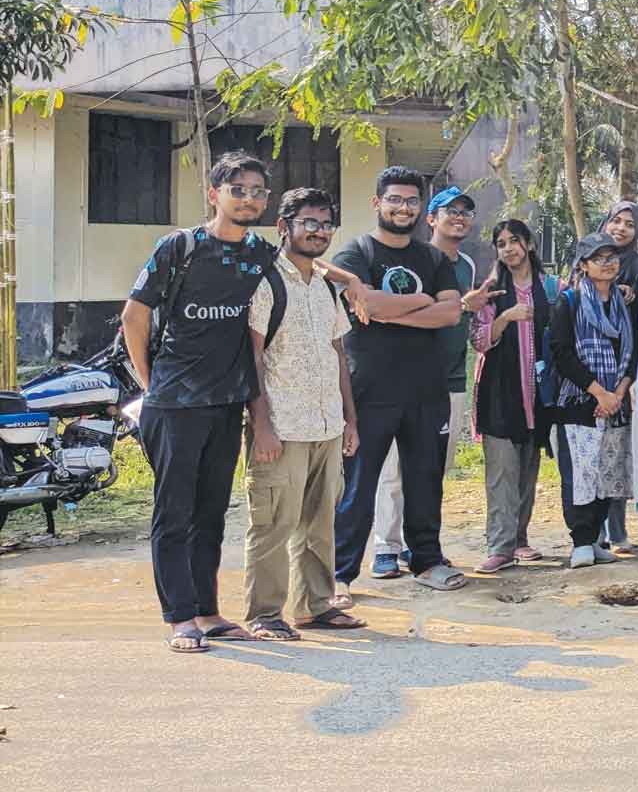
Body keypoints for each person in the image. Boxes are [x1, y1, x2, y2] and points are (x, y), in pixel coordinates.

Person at [120, 152, 288, 653]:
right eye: (239, 190)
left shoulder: (261, 253)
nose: (250, 198)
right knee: (174, 513)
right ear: (215, 195)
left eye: (258, 191)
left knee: (211, 512)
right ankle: (179, 618)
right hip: (173, 405)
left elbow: (304, 273)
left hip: (226, 402)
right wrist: (153, 385)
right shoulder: (181, 247)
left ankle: (208, 610)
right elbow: (134, 316)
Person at [325, 166, 468, 597]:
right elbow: (365, 306)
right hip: (369, 390)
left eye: (410, 201)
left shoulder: (434, 259)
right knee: (357, 485)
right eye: (394, 200)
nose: (402, 208)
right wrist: (422, 301)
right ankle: (340, 574)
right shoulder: (357, 254)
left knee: (425, 480)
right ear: (377, 203)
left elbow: (450, 312)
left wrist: (395, 307)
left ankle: (427, 560)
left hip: (427, 389)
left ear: (421, 208)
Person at [240, 187, 365, 640]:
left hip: (326, 425)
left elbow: (338, 356)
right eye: (308, 223)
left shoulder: (326, 288)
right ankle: (264, 614)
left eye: (325, 223)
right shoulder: (266, 283)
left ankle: (316, 606)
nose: (318, 232)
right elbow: (252, 358)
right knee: (274, 523)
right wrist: (263, 425)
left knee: (320, 522)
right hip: (282, 428)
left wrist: (349, 420)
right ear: (284, 228)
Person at [365, 185, 487, 580]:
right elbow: (382, 310)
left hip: (449, 381)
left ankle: (423, 550)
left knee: (431, 471)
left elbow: (459, 319)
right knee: (393, 470)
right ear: (430, 219)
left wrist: (462, 312)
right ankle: (386, 547)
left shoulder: (467, 265)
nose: (459, 217)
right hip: (399, 380)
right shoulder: (414, 261)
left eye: (465, 211)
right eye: (449, 210)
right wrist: (438, 310)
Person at [470, 219, 557, 575]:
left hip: (537, 395)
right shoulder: (491, 291)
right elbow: (477, 340)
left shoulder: (550, 288)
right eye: (501, 243)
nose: (508, 249)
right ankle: (500, 545)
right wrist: (505, 317)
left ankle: (519, 539)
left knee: (527, 471)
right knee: (502, 472)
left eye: (514, 241)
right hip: (499, 394)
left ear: (529, 245)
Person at [549, 233, 638, 569]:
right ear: (584, 265)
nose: (607, 263)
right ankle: (581, 541)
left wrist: (617, 394)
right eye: (598, 257)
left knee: (607, 474)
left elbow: (632, 354)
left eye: (612, 256)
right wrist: (598, 392)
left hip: (615, 406)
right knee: (579, 475)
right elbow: (562, 353)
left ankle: (597, 539)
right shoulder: (569, 302)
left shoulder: (623, 304)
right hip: (579, 404)